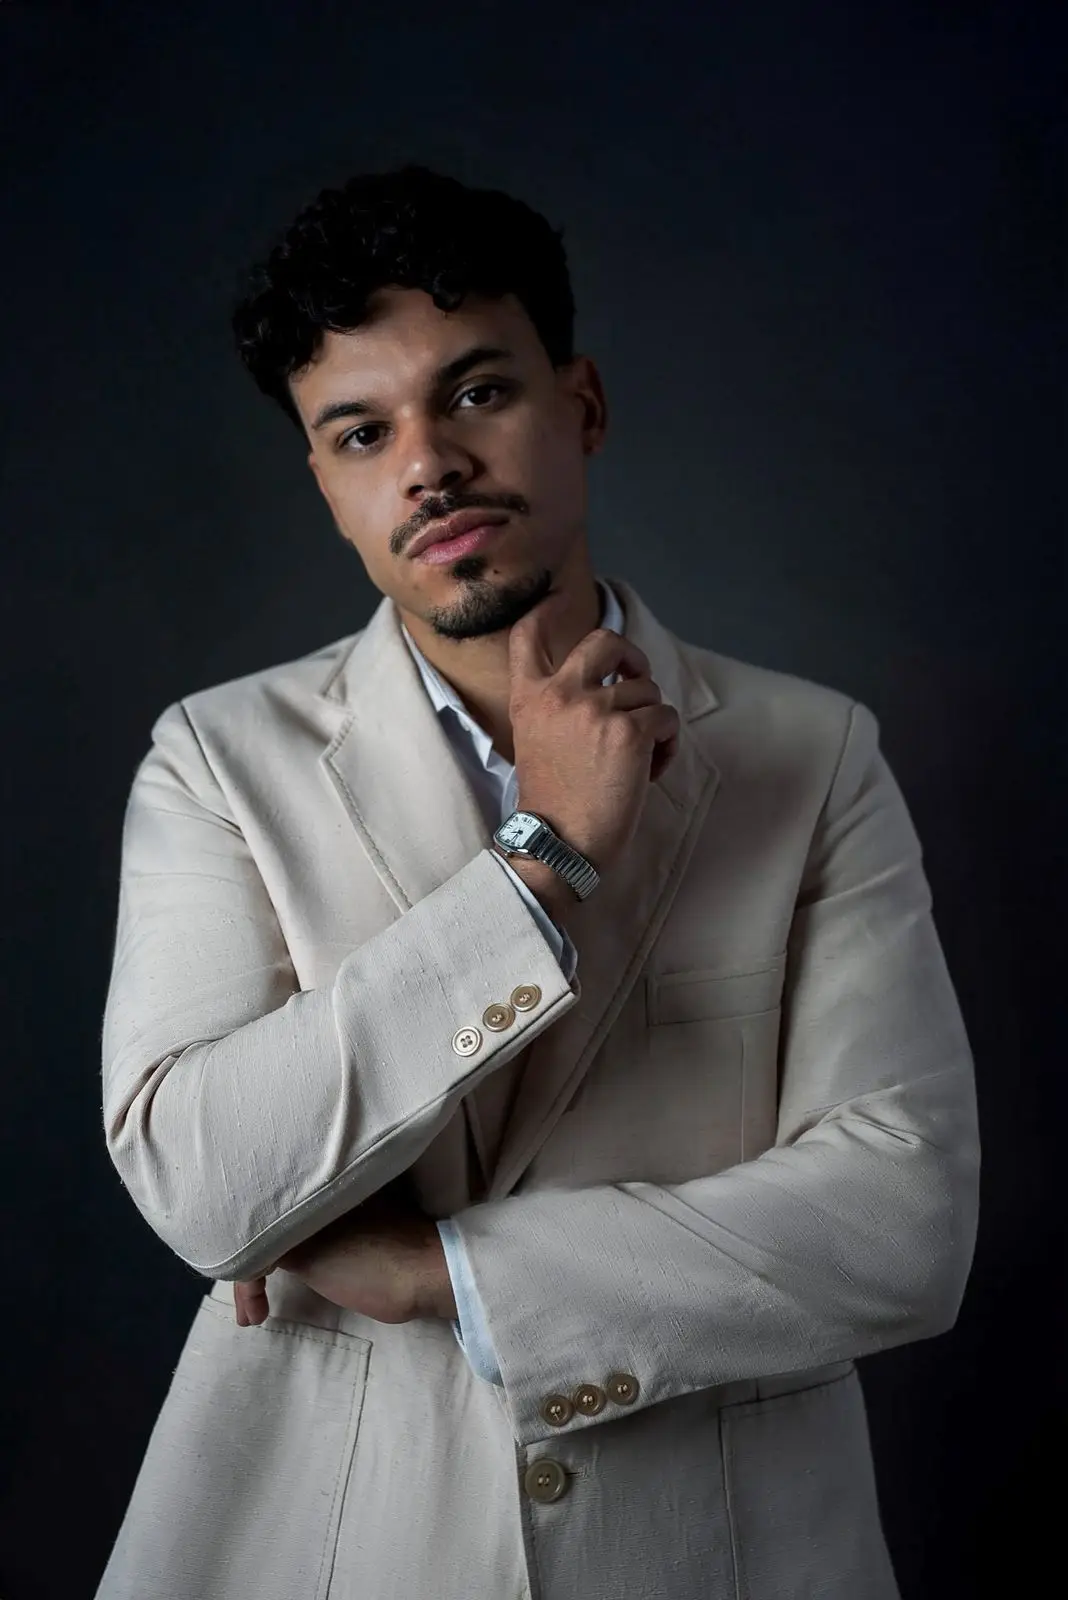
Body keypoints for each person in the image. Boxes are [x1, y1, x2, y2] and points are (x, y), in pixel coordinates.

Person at [94, 164, 979, 1600]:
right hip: (340, 1547)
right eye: (362, 433)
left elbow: (904, 1224)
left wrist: (442, 1271)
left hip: (720, 1553)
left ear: (584, 405)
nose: (428, 464)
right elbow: (203, 1188)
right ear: (326, 488)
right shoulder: (217, 762)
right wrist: (543, 856)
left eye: (478, 392)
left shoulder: (813, 756)